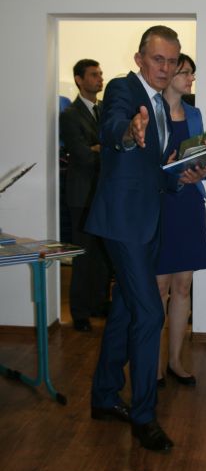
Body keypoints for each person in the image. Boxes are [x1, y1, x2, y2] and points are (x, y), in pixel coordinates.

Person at [85, 26, 206, 452]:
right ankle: (144, 416)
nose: (166, 67)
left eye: (173, 61)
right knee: (149, 313)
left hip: (150, 223)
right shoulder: (124, 89)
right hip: (124, 225)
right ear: (139, 59)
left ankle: (104, 396)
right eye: (158, 59)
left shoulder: (161, 104)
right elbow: (115, 128)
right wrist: (129, 132)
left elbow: (157, 172)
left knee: (125, 312)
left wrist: (183, 175)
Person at [156, 54, 206, 387]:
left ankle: (175, 361)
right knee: (159, 288)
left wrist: (204, 168)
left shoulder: (194, 114)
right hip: (161, 205)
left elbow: (202, 163)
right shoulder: (150, 110)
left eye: (192, 73)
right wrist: (171, 172)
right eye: (186, 72)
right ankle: (153, 365)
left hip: (189, 203)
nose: (191, 78)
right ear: (170, 74)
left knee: (183, 286)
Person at [59, 60, 113, 332]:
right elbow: (81, 155)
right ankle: (79, 312)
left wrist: (99, 148)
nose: (99, 78)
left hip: (104, 194)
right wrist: (101, 150)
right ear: (79, 80)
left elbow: (112, 147)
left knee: (103, 253)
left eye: (100, 74)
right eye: (93, 75)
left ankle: (99, 303)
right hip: (81, 195)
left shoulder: (105, 109)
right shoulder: (69, 114)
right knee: (83, 255)